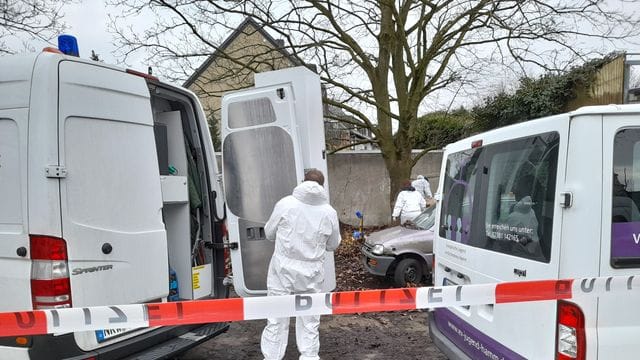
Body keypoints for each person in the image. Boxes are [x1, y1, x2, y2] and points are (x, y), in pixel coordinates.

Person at [261, 169, 341, 360]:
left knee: (276, 315)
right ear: (322, 186)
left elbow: (269, 233)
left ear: (303, 181)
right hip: (312, 271)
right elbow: (333, 244)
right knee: (310, 317)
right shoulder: (329, 211)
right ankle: (309, 356)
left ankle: (272, 357)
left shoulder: (285, 204)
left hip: (282, 268)